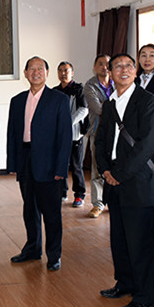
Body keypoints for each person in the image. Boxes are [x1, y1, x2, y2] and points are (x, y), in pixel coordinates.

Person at [96, 53, 154, 307]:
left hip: (138, 180)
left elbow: (147, 144)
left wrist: (121, 174)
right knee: (120, 239)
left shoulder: (148, 101)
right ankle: (125, 283)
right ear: (110, 72)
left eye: (128, 66)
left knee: (141, 242)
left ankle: (146, 296)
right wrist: (105, 169)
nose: (123, 70)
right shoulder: (109, 104)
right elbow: (100, 140)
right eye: (117, 66)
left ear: (135, 72)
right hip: (114, 179)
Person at [7, 56, 72, 271]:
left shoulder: (59, 99)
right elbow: (12, 134)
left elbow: (64, 137)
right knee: (29, 209)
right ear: (25, 73)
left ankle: (54, 255)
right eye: (31, 69)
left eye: (40, 69)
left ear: (46, 73)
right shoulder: (17, 101)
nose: (36, 72)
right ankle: (32, 249)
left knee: (51, 213)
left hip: (49, 163)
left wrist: (61, 168)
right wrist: (13, 163)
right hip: (25, 159)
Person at [83, 54, 114, 218]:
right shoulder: (90, 86)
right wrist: (114, 106)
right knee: (97, 170)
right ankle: (98, 204)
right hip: (98, 133)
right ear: (94, 67)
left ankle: (114, 202)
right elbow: (98, 109)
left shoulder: (117, 83)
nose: (104, 67)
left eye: (107, 64)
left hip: (117, 134)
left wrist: (107, 105)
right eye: (100, 64)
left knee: (116, 168)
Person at [54, 61, 88, 207]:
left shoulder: (78, 89)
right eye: (60, 70)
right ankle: (62, 193)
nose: (63, 73)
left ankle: (79, 195)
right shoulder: (54, 91)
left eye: (66, 70)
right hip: (59, 135)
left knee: (76, 166)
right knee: (60, 164)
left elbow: (84, 109)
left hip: (75, 135)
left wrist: (68, 123)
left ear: (72, 73)